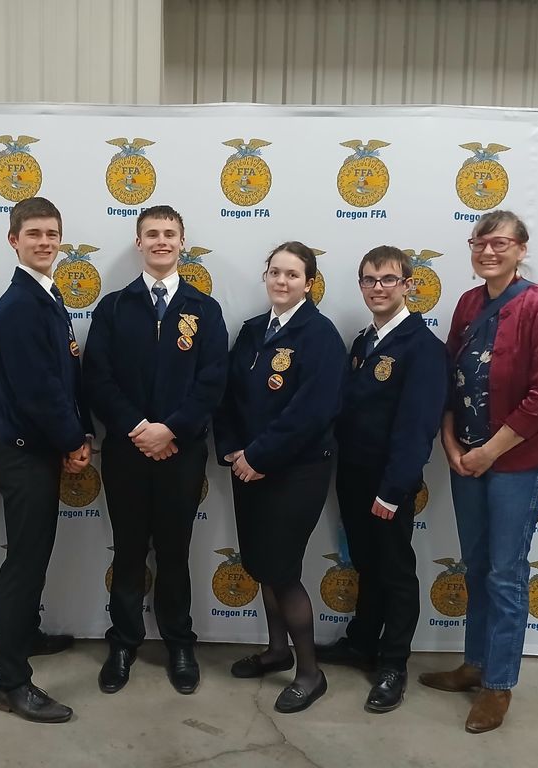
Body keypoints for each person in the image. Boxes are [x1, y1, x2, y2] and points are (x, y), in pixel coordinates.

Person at [419, 210, 538, 733]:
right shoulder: (467, 302)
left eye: (500, 243)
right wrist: (450, 440)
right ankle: (475, 664)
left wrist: (491, 451)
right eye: (480, 243)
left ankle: (499, 686)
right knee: (477, 564)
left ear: (521, 249)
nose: (488, 252)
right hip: (467, 458)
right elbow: (451, 374)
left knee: (506, 573)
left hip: (518, 464)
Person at [83, 205, 228, 696]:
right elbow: (97, 378)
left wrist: (172, 431)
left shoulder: (204, 309)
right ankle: (122, 642)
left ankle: (179, 643)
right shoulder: (114, 307)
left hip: (180, 453)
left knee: (173, 552)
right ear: (139, 241)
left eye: (170, 233)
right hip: (126, 453)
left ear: (182, 241)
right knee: (127, 551)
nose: (161, 241)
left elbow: (213, 381)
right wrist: (139, 428)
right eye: (152, 234)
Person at [213, 241, 347, 713]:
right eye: (275, 273)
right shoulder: (252, 331)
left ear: (308, 283)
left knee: (282, 569)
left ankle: (310, 673)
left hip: (296, 470)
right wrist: (233, 447)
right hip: (247, 466)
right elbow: (227, 394)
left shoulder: (320, 335)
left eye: (292, 275)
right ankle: (276, 650)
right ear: (266, 277)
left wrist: (261, 455)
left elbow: (312, 412)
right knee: (261, 563)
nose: (282, 282)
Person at [316, 246, 448, 713]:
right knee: (367, 565)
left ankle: (393, 665)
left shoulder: (423, 348)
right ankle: (361, 642)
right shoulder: (364, 342)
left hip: (387, 483)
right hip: (352, 475)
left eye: (388, 279)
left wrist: (393, 491)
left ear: (409, 284)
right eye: (369, 280)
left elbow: (416, 429)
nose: (378, 288)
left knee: (393, 571)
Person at [0, 197, 93, 723]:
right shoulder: (20, 305)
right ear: (14, 240)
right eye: (34, 234)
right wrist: (75, 438)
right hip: (26, 454)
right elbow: (38, 392)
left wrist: (75, 432)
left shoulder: (45, 296)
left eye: (52, 233)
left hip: (39, 451)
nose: (45, 241)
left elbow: (64, 378)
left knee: (33, 558)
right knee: (24, 565)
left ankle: (25, 636)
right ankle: (11, 682)